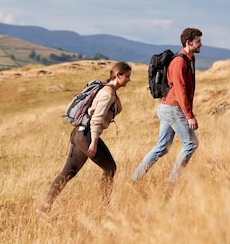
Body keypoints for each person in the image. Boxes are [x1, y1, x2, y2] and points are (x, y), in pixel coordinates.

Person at [37, 61, 132, 215]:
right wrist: (94, 143)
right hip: (86, 135)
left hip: (79, 134)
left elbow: (111, 110)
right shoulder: (107, 93)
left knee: (69, 171)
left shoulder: (109, 91)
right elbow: (96, 120)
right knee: (110, 168)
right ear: (118, 75)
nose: (129, 79)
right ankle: (104, 207)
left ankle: (44, 207)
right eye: (127, 76)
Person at [131, 28, 202, 183]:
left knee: (162, 147)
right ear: (189, 43)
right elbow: (179, 91)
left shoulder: (190, 60)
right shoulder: (179, 62)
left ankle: (134, 179)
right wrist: (189, 116)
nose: (201, 44)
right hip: (172, 108)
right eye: (198, 41)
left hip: (168, 108)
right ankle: (172, 183)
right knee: (191, 143)